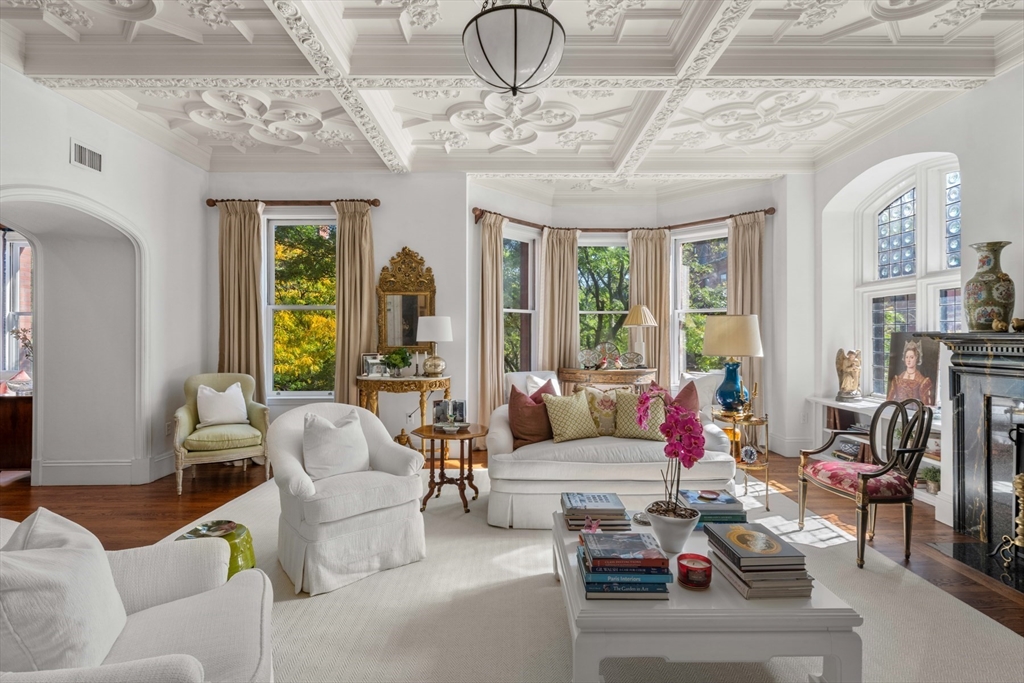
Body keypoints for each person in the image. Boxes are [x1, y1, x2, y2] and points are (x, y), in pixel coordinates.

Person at [886, 340, 933, 406]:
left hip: (915, 413)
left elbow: (926, 405)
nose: (908, 360)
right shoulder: (897, 379)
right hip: (898, 411)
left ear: (917, 358)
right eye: (906, 357)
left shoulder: (923, 381)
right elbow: (889, 400)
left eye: (911, 357)